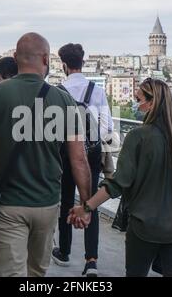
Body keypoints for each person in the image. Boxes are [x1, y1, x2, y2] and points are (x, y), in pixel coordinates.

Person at [0, 32, 92, 277]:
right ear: (46, 59)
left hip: (7, 202)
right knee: (36, 273)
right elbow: (79, 159)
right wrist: (86, 205)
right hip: (48, 203)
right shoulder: (64, 100)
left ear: (16, 57)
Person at [69, 78, 172, 277]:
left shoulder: (138, 136)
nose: (137, 105)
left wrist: (85, 208)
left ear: (152, 103)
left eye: (139, 99)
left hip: (146, 226)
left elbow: (118, 183)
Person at [51, 43, 113, 277]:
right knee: (90, 201)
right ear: (83, 63)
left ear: (63, 65)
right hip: (92, 151)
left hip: (66, 152)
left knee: (66, 199)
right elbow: (107, 126)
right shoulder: (95, 90)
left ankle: (64, 251)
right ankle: (91, 260)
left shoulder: (57, 91)